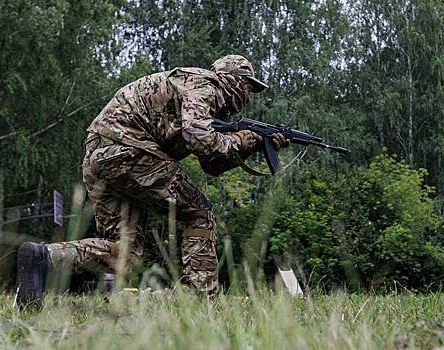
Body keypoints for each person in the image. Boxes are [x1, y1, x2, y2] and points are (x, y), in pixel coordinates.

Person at [16, 55, 289, 306]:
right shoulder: (206, 85)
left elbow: (212, 164)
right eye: (246, 86)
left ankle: (44, 257)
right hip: (129, 150)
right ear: (230, 78)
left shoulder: (197, 93)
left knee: (125, 254)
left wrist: (251, 146)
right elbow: (199, 137)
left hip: (101, 157)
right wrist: (239, 140)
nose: (247, 96)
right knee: (199, 213)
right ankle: (204, 297)